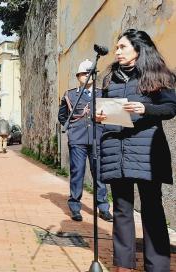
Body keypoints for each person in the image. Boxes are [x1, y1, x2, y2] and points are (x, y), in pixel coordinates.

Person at [95, 29, 176, 272]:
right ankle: (124, 265)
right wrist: (100, 115)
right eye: (117, 47)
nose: (117, 51)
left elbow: (171, 108)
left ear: (138, 50)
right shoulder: (110, 78)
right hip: (115, 149)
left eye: (122, 47)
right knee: (121, 208)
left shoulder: (158, 75)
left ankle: (158, 266)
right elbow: (110, 109)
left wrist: (146, 108)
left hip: (146, 150)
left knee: (152, 208)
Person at [58, 59, 112, 222]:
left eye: (90, 73)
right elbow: (62, 116)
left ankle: (103, 207)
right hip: (78, 139)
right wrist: (73, 129)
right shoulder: (70, 94)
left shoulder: (102, 93)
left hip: (98, 137)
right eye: (84, 74)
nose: (87, 76)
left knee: (100, 174)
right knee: (77, 173)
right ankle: (75, 206)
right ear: (78, 76)